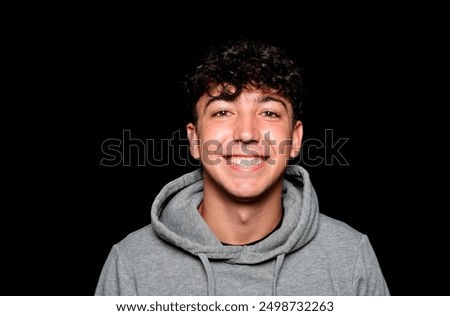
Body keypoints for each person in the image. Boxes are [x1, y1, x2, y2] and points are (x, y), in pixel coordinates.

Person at [95, 38, 390, 296]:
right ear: (195, 140)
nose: (247, 133)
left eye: (269, 112)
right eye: (223, 111)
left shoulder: (350, 256)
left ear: (295, 139)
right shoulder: (131, 262)